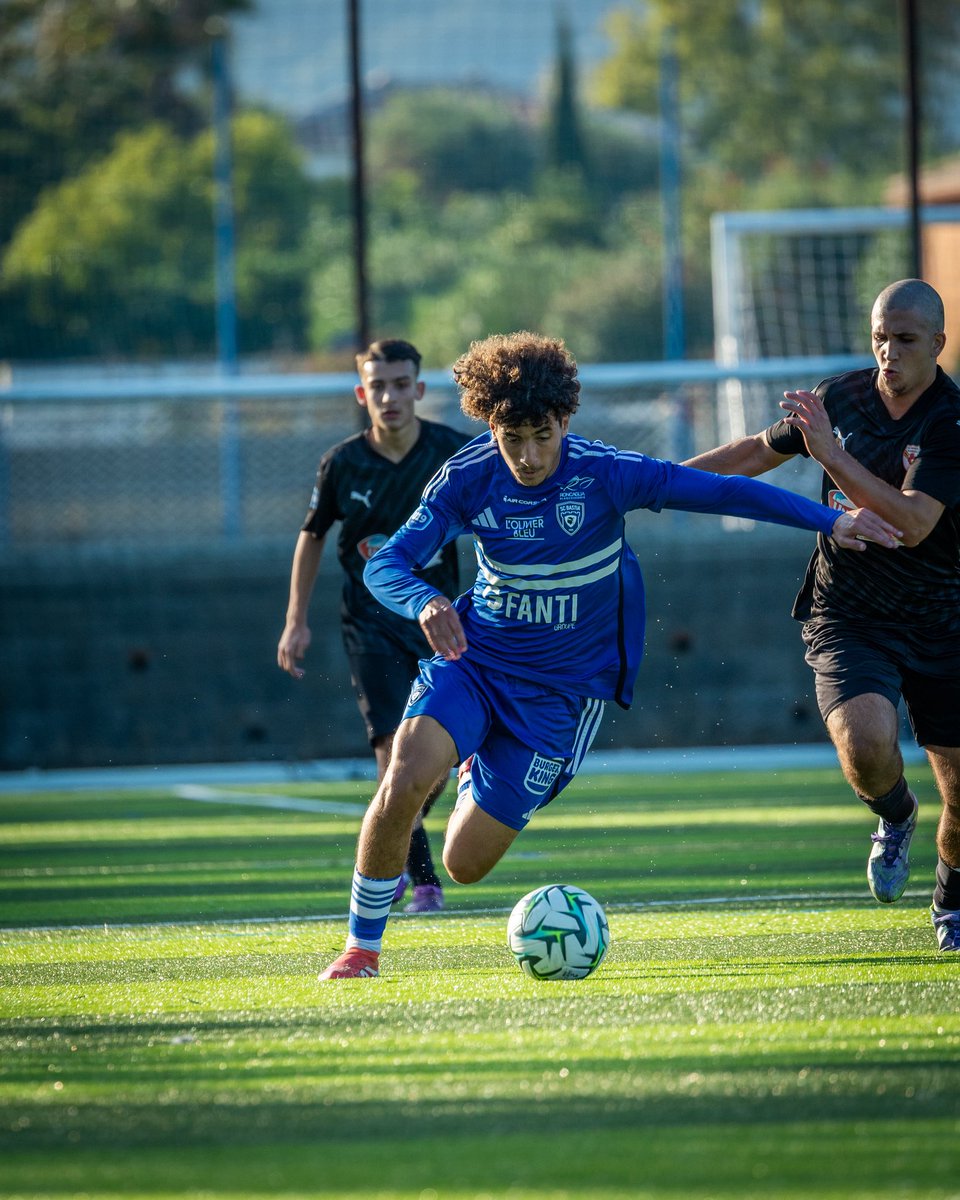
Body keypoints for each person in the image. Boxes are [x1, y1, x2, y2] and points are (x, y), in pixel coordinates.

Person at [318, 330, 901, 979]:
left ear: (565, 419)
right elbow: (387, 565)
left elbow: (725, 493)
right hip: (476, 662)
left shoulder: (607, 473)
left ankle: (474, 764)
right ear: (489, 425)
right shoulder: (468, 477)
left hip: (560, 696)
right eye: (513, 439)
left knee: (464, 864)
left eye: (543, 435)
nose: (530, 455)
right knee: (402, 774)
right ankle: (360, 950)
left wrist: (832, 521)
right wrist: (426, 602)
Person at [682, 279, 960, 953]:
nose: (888, 352)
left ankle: (951, 903)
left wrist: (833, 456)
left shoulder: (951, 422)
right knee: (866, 745)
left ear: (938, 344)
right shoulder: (841, 398)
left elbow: (915, 523)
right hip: (850, 612)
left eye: (905, 339)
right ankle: (895, 816)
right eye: (879, 337)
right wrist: (659, 484)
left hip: (942, 619)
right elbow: (755, 452)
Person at [278, 338, 465, 914]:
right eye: (377, 386)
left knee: (443, 762)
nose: (390, 396)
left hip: (441, 624)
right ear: (363, 394)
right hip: (370, 626)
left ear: (420, 390)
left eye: (400, 384)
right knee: (394, 754)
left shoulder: (455, 454)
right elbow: (311, 538)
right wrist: (294, 621)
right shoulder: (343, 463)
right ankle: (423, 883)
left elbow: (497, 521)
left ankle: (394, 834)